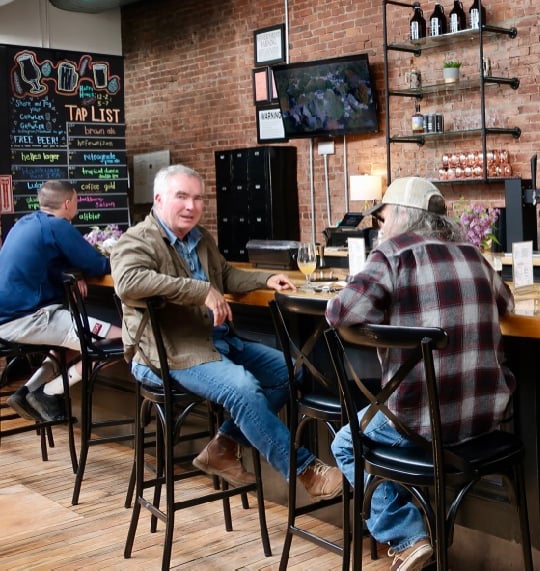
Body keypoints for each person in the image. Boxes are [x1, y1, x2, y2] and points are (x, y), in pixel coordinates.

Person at [110, 164, 343, 500]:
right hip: (169, 351)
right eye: (182, 197)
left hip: (215, 343)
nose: (191, 206)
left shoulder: (199, 238)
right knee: (244, 389)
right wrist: (199, 290)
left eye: (197, 198)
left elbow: (227, 276)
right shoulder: (136, 240)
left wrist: (263, 280)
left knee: (291, 372)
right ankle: (304, 470)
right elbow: (128, 283)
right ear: (158, 199)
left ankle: (223, 444)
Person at [326, 177, 516, 571]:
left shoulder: (391, 255)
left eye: (382, 218)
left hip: (418, 426)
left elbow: (340, 313)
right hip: (487, 422)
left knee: (346, 444)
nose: (379, 227)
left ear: (401, 216)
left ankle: (409, 536)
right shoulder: (473, 254)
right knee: (381, 440)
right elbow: (507, 303)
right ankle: (416, 531)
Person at [0, 180, 121, 423]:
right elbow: (98, 265)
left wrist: (72, 272)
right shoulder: (57, 226)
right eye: (76, 200)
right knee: (125, 340)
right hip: (30, 319)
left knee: (70, 342)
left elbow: (46, 263)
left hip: (10, 319)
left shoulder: (24, 223)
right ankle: (49, 391)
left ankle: (26, 392)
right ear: (68, 204)